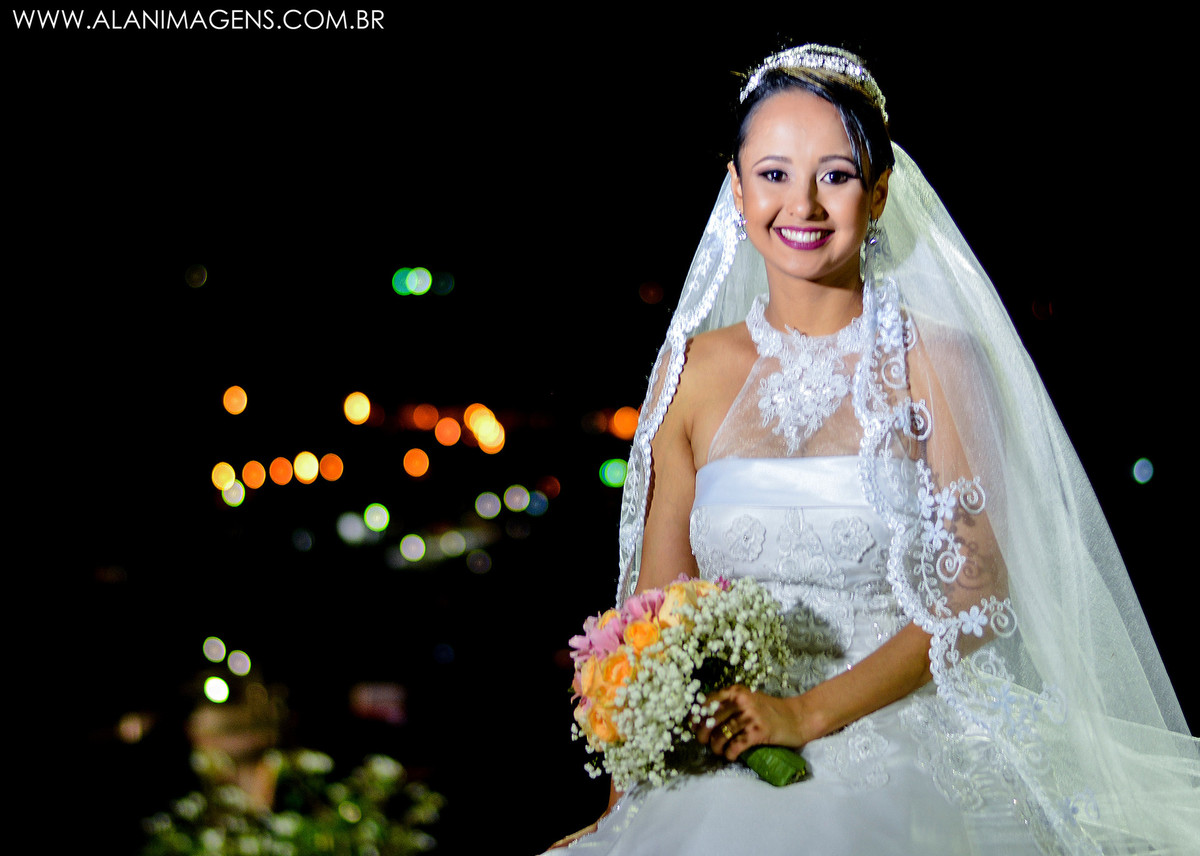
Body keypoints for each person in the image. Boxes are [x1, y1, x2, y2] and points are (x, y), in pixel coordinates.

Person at [544, 45, 1200, 854]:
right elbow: (651, 621)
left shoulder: (939, 360)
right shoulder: (691, 371)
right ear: (737, 187)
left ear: (880, 191)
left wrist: (807, 713)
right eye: (775, 174)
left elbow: (980, 595)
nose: (804, 205)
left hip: (900, 737)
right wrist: (628, 805)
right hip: (726, 748)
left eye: (837, 175)